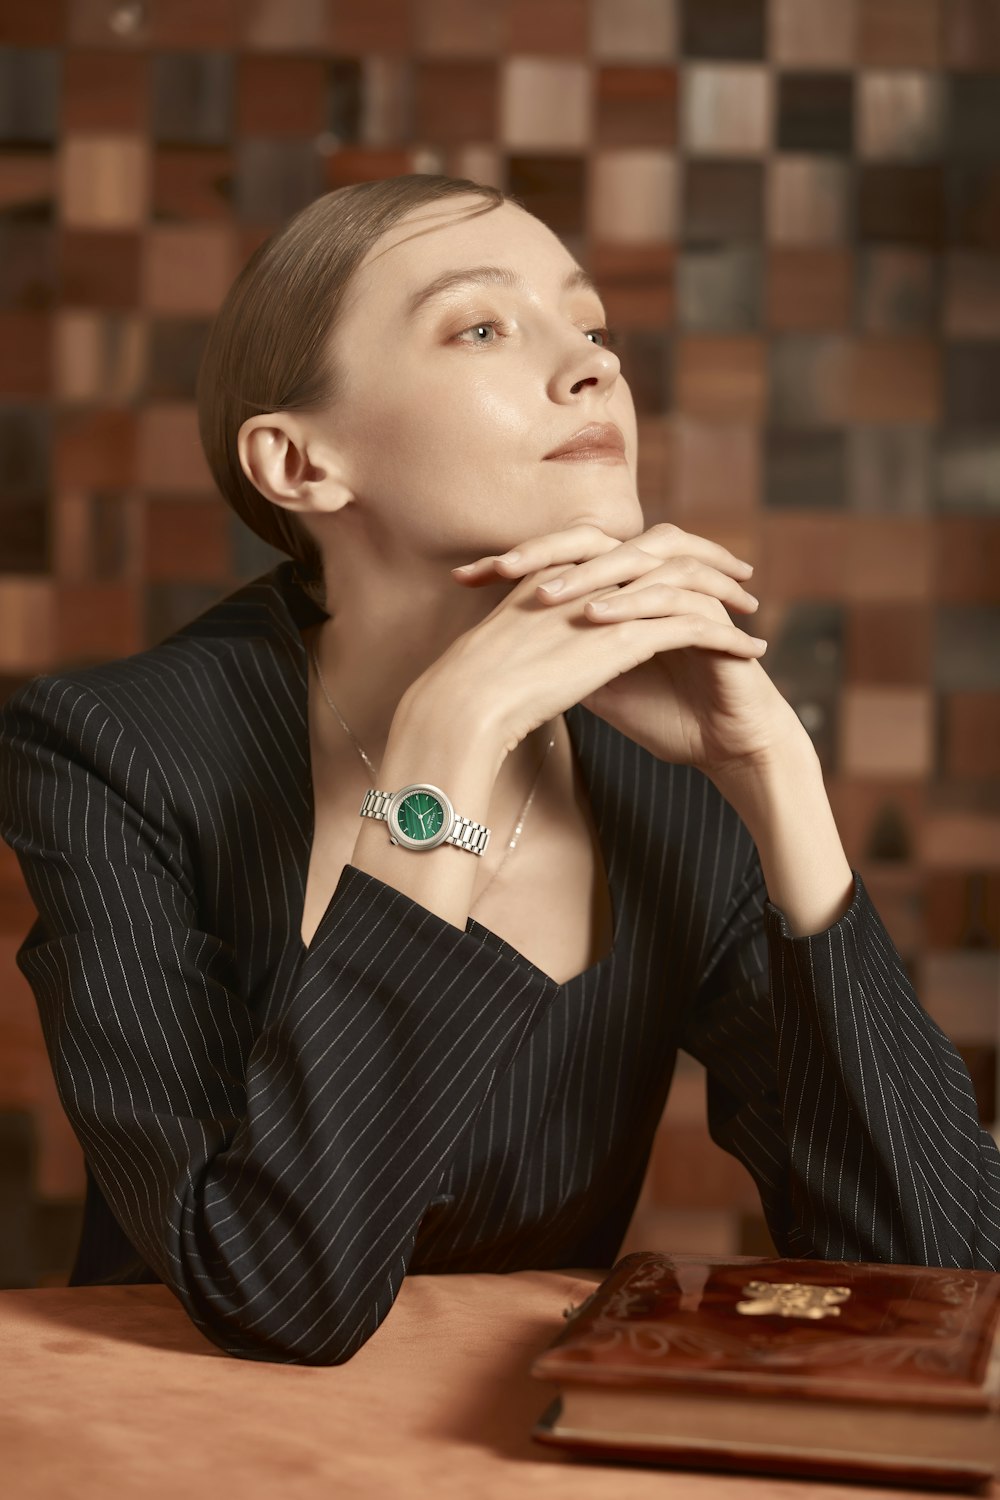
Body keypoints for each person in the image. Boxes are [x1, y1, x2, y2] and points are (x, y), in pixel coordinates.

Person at [1, 175, 997, 1367]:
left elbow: (935, 1273)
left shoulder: (677, 777)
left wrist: (777, 779)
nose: (592, 370)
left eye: (591, 330)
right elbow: (276, 1294)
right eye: (481, 326)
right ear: (299, 463)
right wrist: (450, 736)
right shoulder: (113, 749)